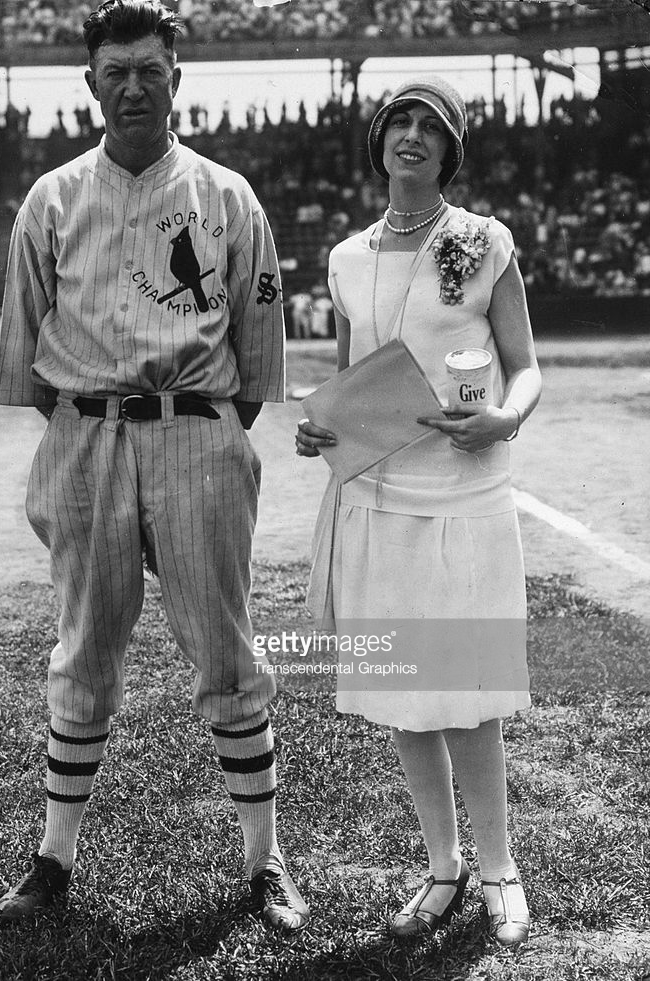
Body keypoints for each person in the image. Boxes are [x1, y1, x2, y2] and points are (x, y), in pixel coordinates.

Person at [0, 0, 307, 931]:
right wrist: (99, 418)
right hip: (84, 435)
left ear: (178, 79)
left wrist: (195, 425)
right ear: (90, 82)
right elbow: (28, 360)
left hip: (199, 434)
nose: (134, 85)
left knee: (226, 646)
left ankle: (266, 861)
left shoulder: (227, 196)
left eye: (151, 69)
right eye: (116, 70)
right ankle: (53, 858)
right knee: (83, 645)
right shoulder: (50, 199)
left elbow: (257, 367)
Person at [296, 77, 541, 947]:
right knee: (408, 693)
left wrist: (503, 420)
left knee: (469, 693)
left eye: (428, 126)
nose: (411, 135)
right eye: (398, 121)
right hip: (381, 498)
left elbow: (525, 365)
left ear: (448, 150)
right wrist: (321, 432)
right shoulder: (345, 258)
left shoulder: (483, 242)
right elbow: (352, 387)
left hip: (466, 497)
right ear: (379, 142)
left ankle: (500, 868)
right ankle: (442, 866)